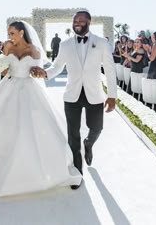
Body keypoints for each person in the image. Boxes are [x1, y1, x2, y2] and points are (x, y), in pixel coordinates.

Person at [0, 21, 82, 197]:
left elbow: (37, 71)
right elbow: (5, 72)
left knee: (28, 126)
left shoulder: (35, 49)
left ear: (21, 32)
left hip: (29, 89)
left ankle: (28, 168)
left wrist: (36, 70)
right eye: (8, 33)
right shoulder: (7, 46)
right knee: (3, 124)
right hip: (9, 87)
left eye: (12, 32)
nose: (9, 36)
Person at [31, 10, 117, 189]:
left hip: (94, 94)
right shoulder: (65, 44)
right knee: (73, 134)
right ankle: (77, 173)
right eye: (74, 20)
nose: (76, 22)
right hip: (72, 95)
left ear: (89, 21)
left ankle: (89, 143)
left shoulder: (101, 43)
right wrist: (46, 73)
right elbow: (57, 66)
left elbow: (109, 69)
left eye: (80, 20)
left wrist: (112, 95)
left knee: (97, 128)